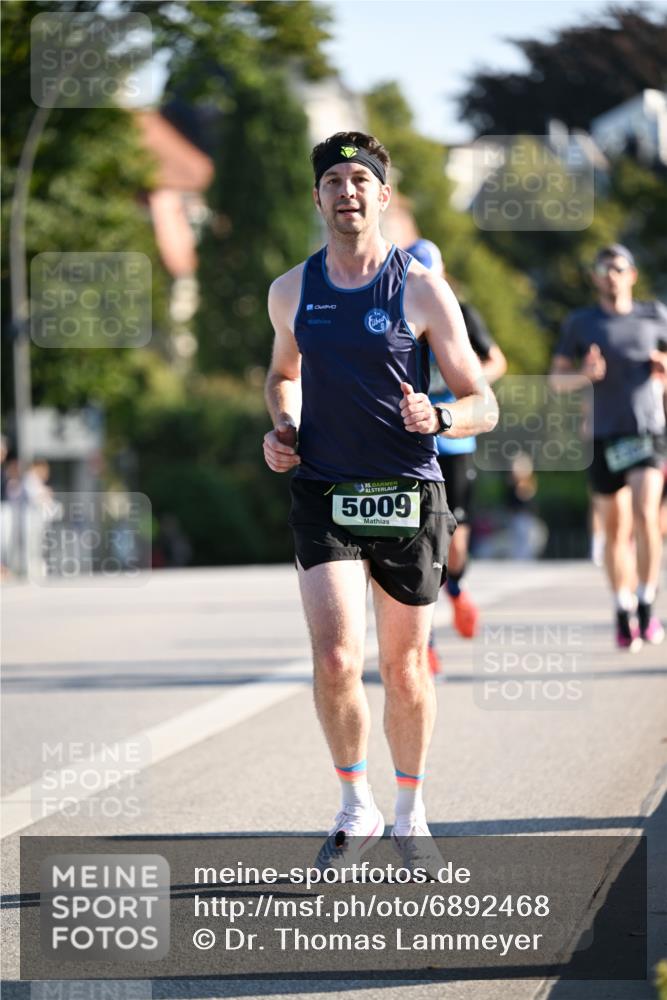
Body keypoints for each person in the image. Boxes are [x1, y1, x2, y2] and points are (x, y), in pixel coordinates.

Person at [263, 131, 498, 873]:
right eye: (333, 180)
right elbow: (280, 374)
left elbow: (481, 399)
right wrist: (284, 424)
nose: (346, 191)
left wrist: (443, 417)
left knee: (405, 669)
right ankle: (353, 806)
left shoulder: (422, 288)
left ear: (383, 197)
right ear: (318, 198)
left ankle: (410, 812)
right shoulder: (290, 290)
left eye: (360, 180)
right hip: (324, 487)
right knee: (335, 657)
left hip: (406, 490)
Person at [549, 244, 667, 650]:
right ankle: (623, 607)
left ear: (631, 274)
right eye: (603, 269)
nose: (611, 274)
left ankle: (648, 603)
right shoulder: (582, 323)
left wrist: (664, 370)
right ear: (596, 278)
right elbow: (556, 381)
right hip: (603, 436)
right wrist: (584, 374)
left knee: (646, 515)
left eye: (618, 267)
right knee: (616, 531)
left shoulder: (655, 316)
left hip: (647, 432)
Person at [405, 239, 506, 670]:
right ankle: (423, 641)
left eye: (431, 271)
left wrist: (459, 380)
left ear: (442, 271)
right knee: (420, 537)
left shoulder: (461, 312)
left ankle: (459, 593)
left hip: (456, 439)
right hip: (412, 440)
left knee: (456, 540)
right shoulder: (398, 310)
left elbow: (496, 362)